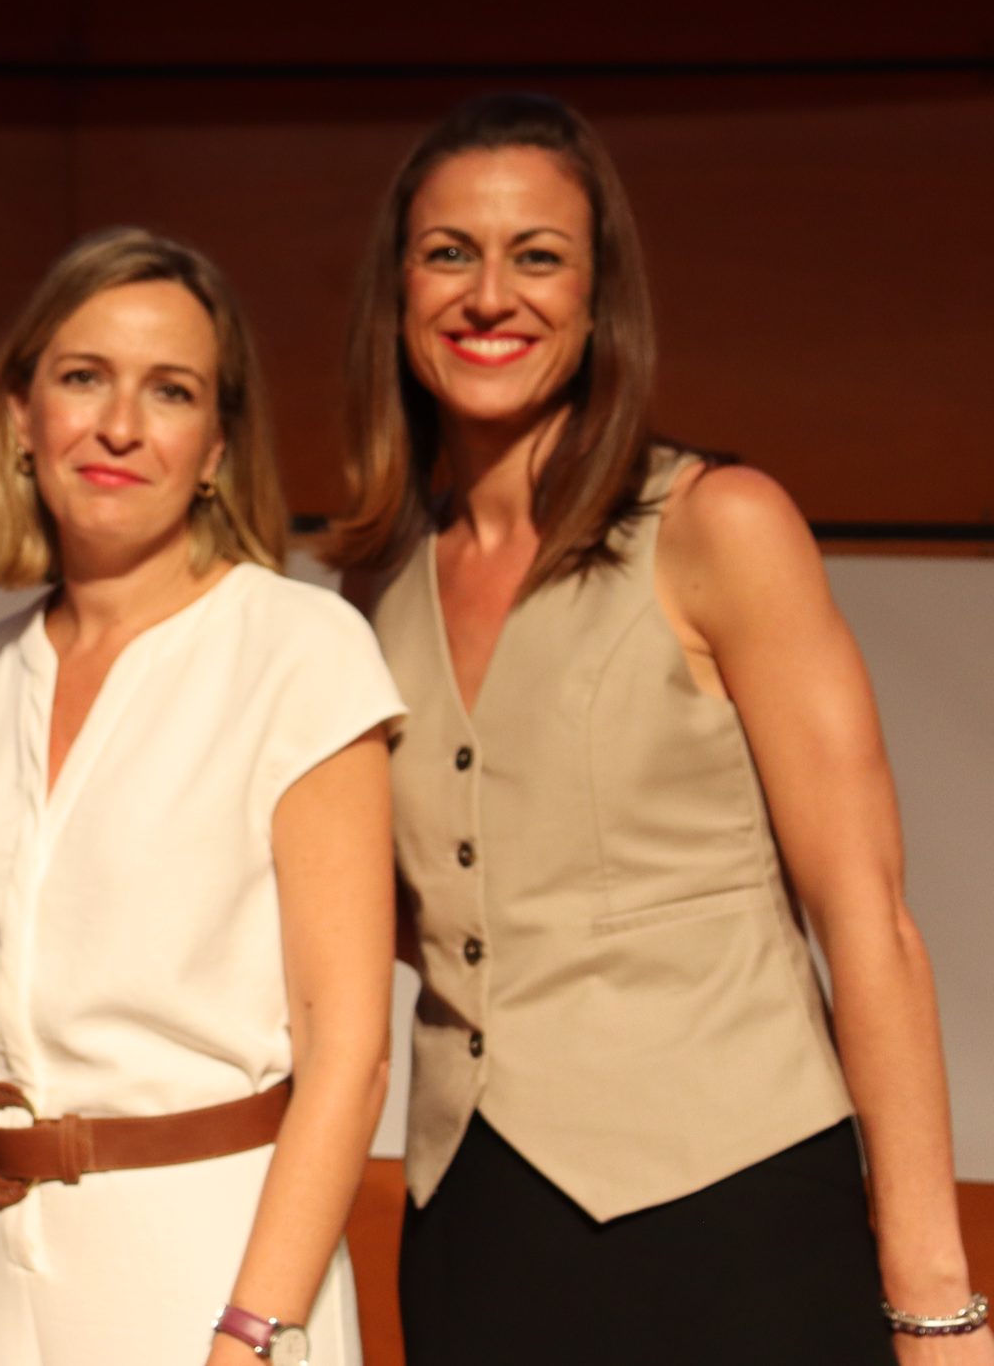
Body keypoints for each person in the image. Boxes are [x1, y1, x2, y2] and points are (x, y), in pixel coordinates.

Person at [332, 92, 989, 1365]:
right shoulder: (373, 588)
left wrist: (935, 1305)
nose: (489, 295)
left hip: (727, 1208)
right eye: (448, 252)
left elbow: (870, 922)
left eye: (538, 256)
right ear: (397, 291)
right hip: (472, 1228)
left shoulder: (717, 526)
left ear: (596, 298)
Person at [0, 228, 402, 1366]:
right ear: (20, 416)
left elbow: (349, 1053)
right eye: (83, 378)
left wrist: (251, 1330)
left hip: (209, 1265)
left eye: (168, 391)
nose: (119, 426)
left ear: (218, 445)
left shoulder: (299, 650)